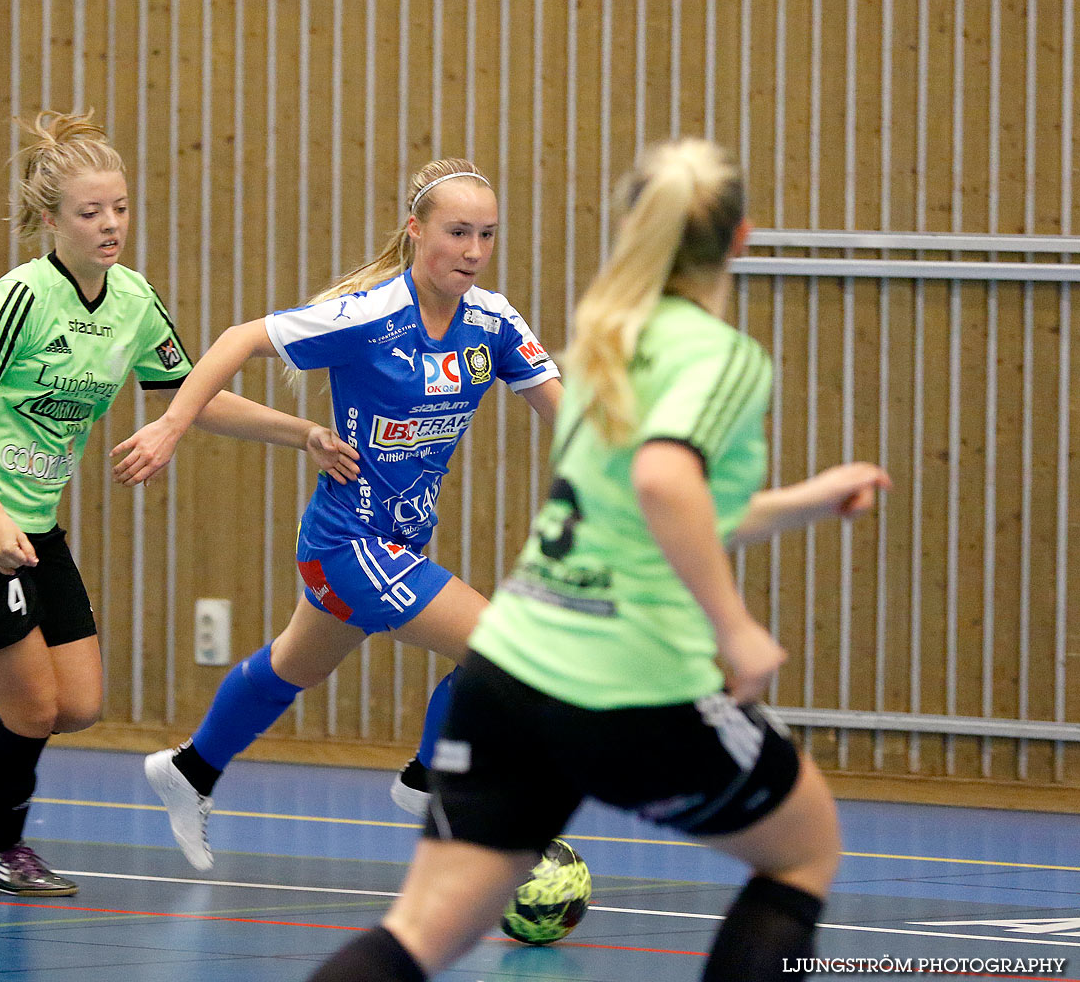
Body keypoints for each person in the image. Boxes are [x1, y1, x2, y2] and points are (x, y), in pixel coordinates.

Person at [305, 139, 891, 982]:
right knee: (803, 855)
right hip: (626, 680)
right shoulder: (721, 355)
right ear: (741, 240)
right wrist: (738, 629)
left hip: (509, 672)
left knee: (422, 933)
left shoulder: (604, 341)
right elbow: (664, 480)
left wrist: (809, 498)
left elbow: (662, 505)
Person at [0, 109, 361, 898]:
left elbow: (188, 398)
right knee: (28, 709)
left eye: (120, 208)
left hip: (33, 527)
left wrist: (302, 433)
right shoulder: (17, 302)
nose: (110, 225)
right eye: (91, 213)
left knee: (79, 704)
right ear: (51, 219)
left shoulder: (132, 300)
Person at [113, 158, 565, 871]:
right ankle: (428, 785)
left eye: (487, 234)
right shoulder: (372, 316)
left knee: (293, 665)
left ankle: (191, 770)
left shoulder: (493, 322)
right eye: (457, 232)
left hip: (401, 539)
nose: (474, 251)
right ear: (416, 232)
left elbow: (568, 418)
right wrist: (173, 424)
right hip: (349, 543)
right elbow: (239, 339)